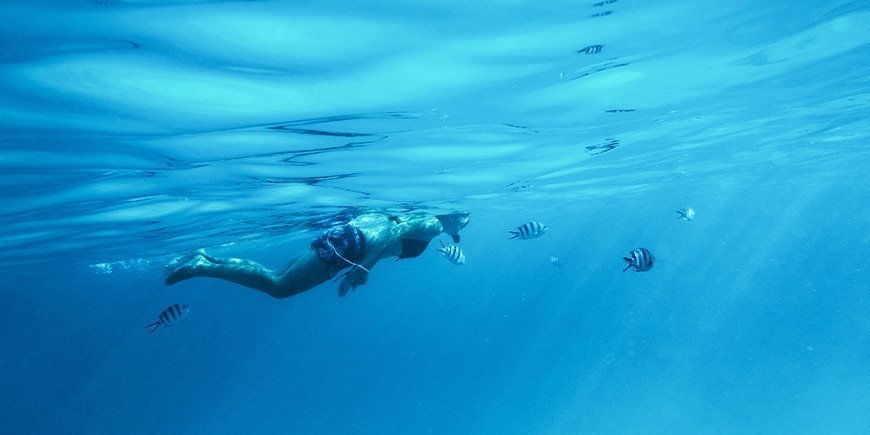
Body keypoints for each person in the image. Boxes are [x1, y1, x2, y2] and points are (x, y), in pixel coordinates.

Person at [164, 211, 470, 298]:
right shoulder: (432, 222)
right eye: (465, 215)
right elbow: (391, 233)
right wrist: (365, 268)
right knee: (278, 286)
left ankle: (205, 258)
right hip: (353, 247)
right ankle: (200, 266)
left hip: (348, 238)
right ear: (453, 211)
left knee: (278, 278)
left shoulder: (424, 216)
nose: (466, 223)